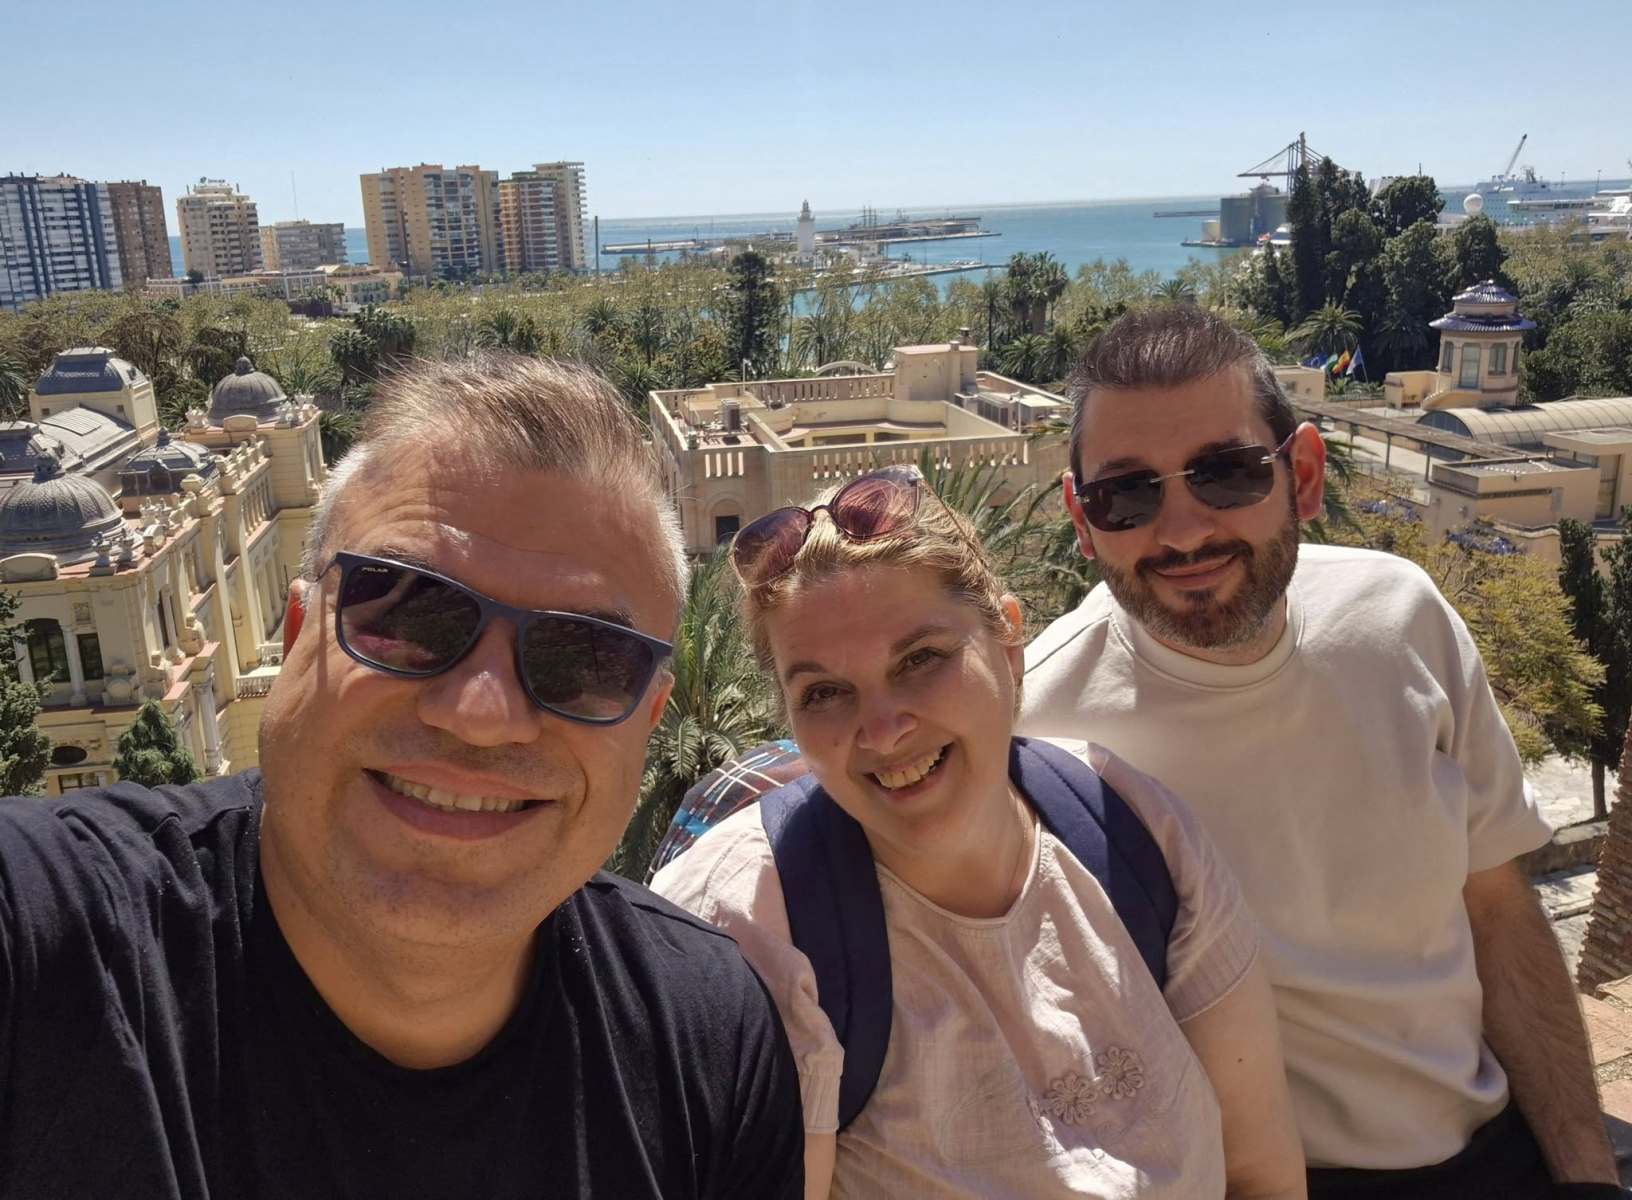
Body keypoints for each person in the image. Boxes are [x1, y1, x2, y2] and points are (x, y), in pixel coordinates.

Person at [0, 355, 804, 1199]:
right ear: (299, 634)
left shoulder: (711, 1045)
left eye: (585, 659)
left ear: (647, 719)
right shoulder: (49, 951)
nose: (481, 713)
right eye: (413, 614)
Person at [1019, 305, 1624, 1198]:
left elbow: (1497, 908)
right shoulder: (1039, 726)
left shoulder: (1401, 618)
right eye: (1127, 495)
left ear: (1302, 474)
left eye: (1226, 473)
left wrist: (1586, 1174)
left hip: (1497, 1151)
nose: (1182, 532)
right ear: (1083, 519)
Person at [652, 465, 1308, 1199]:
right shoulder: (750, 930)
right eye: (825, 692)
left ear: (1008, 639)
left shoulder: (1132, 828)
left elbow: (1260, 1172)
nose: (883, 730)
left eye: (920, 660)